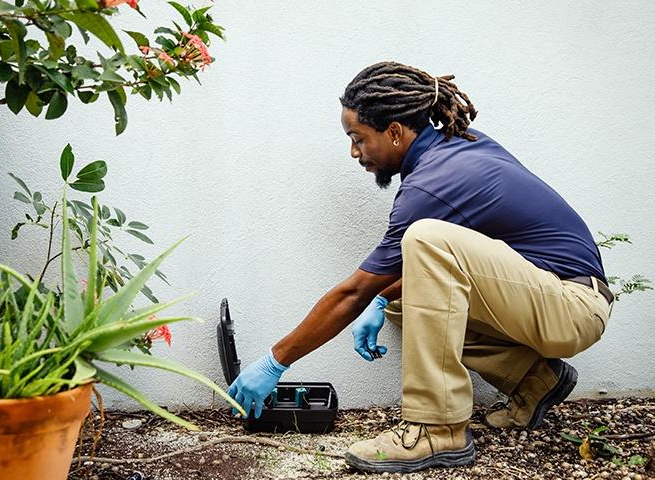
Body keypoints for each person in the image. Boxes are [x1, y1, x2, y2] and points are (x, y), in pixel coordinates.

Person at [226, 62, 614, 474]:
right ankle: (534, 382)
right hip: (553, 298)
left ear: (394, 132)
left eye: (358, 139)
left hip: (571, 307)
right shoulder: (455, 147)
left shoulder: (433, 182)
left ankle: (437, 429)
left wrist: (275, 361)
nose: (355, 153)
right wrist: (382, 299)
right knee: (398, 297)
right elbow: (440, 274)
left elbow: (353, 292)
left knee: (422, 241)